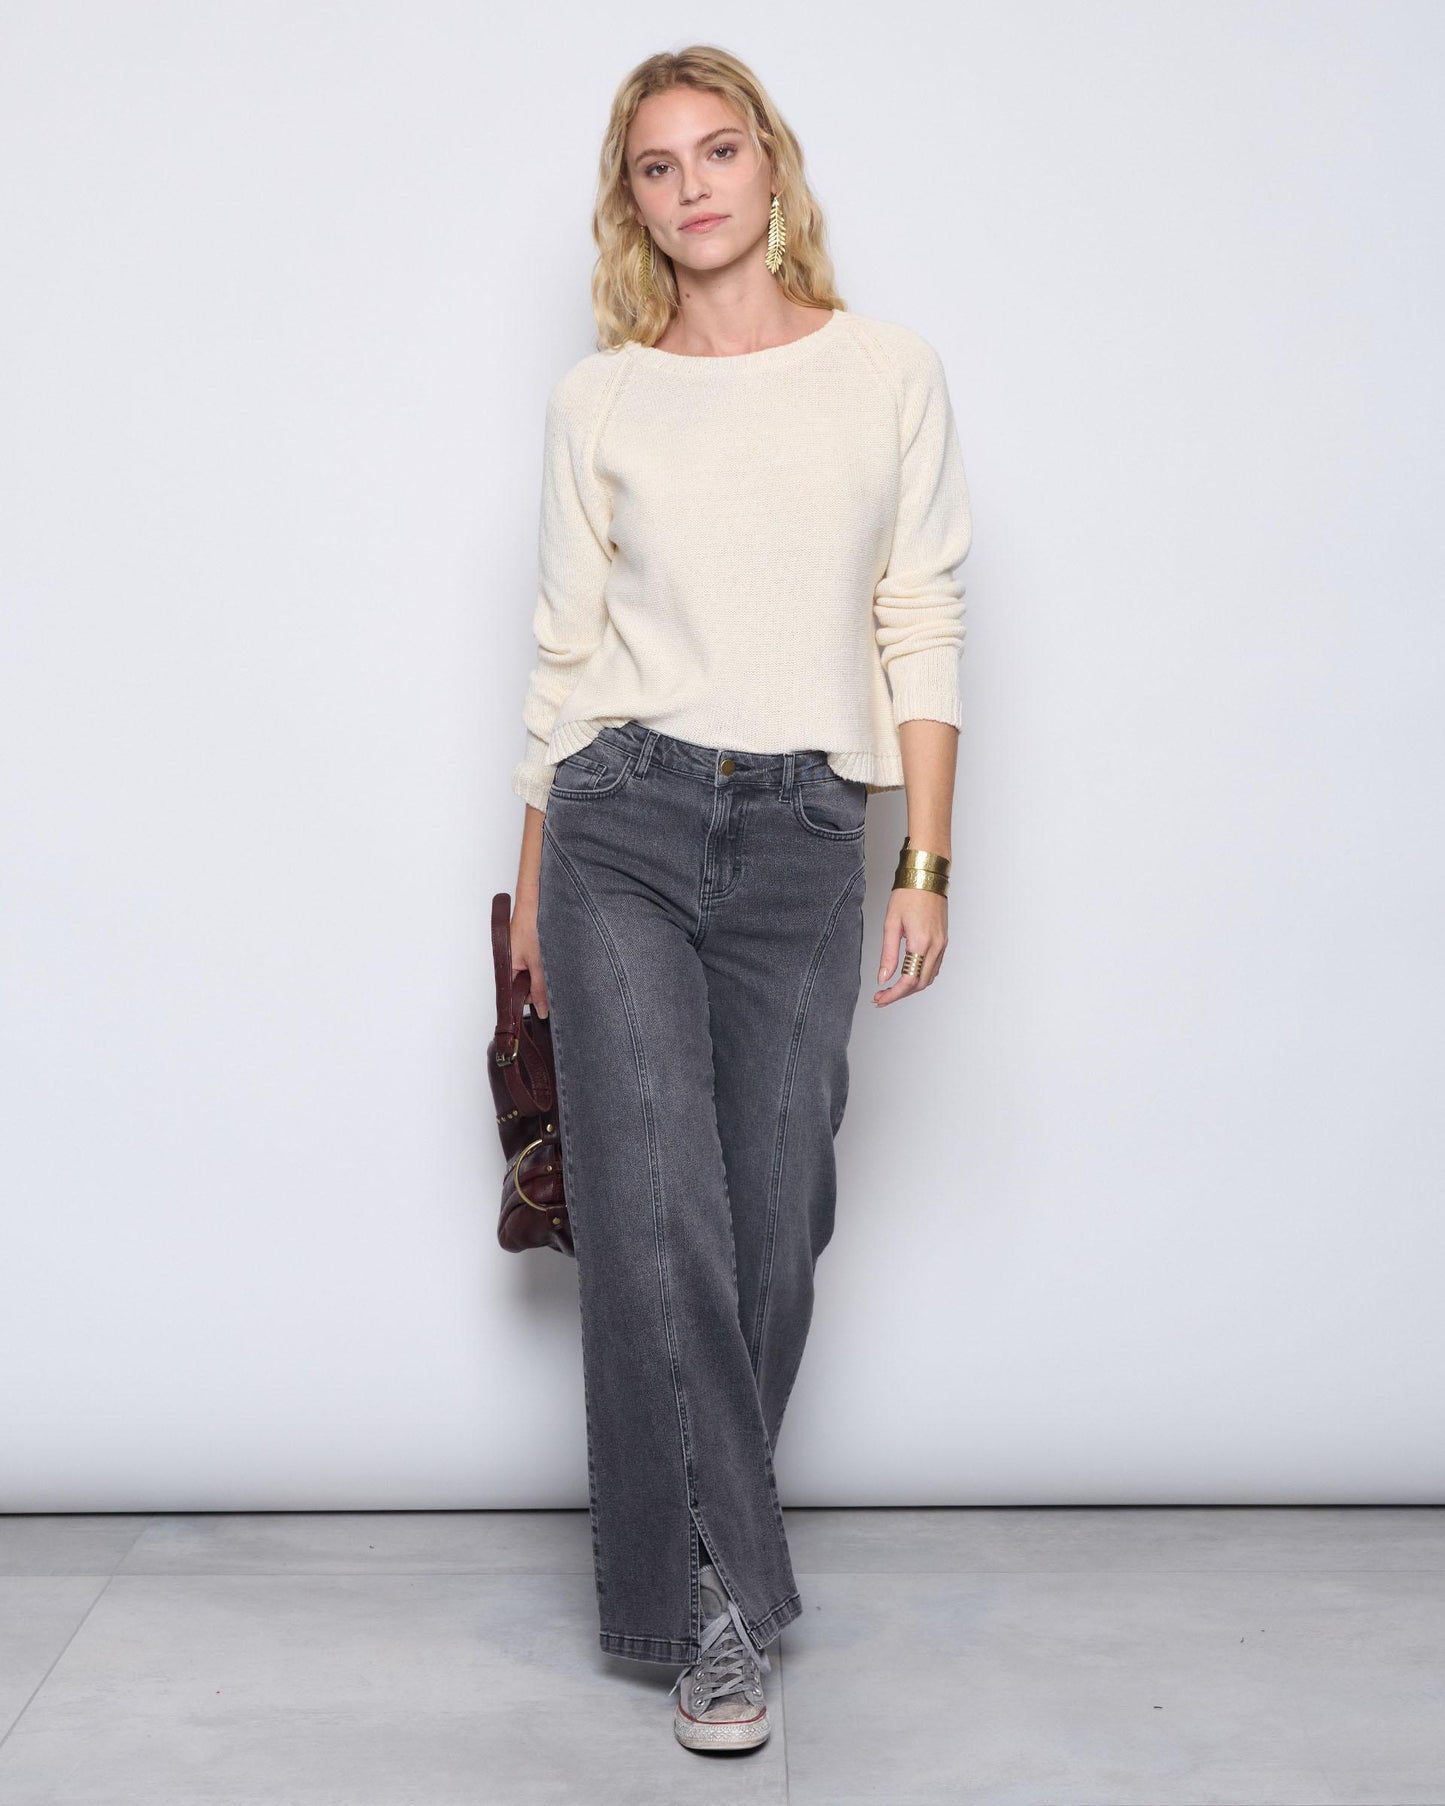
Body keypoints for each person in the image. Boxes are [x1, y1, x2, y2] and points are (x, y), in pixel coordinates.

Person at [507, 44, 971, 1753]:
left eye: (717, 151)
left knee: (774, 1220)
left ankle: (702, 1558)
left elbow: (919, 612)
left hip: (799, 833)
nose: (692, 186)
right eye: (657, 166)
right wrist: (528, 882)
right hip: (617, 819)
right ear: (630, 203)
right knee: (656, 1215)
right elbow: (560, 654)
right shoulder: (601, 399)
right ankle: (710, 1610)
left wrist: (922, 857)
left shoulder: (885, 370)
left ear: (771, 168)